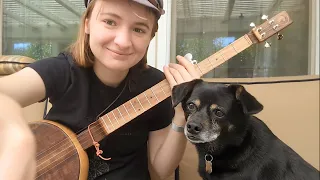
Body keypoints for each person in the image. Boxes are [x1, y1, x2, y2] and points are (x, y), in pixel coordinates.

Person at [0, 0, 201, 180]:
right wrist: (17, 136)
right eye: (110, 22)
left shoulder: (156, 86)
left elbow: (160, 172)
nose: (122, 41)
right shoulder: (62, 70)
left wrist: (182, 114)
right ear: (87, 23)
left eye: (139, 29)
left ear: (150, 37)